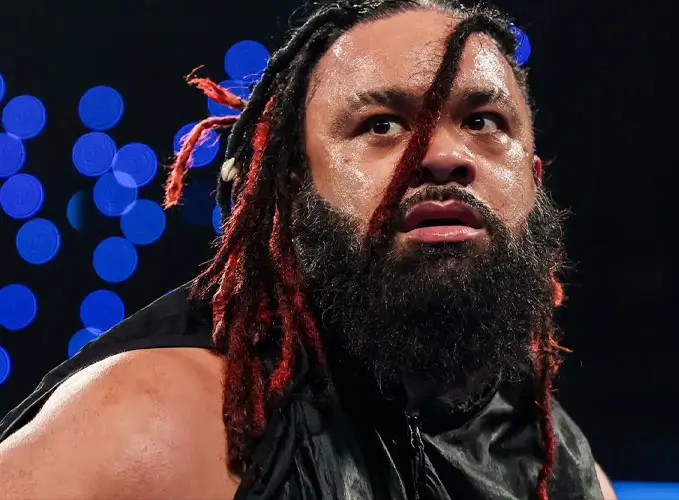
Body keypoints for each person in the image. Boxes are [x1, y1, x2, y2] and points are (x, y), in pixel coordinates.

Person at [0, 1, 618, 499]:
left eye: (483, 120)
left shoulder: (558, 464)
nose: (445, 154)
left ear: (533, 179)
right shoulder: (156, 425)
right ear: (292, 188)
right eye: (382, 124)